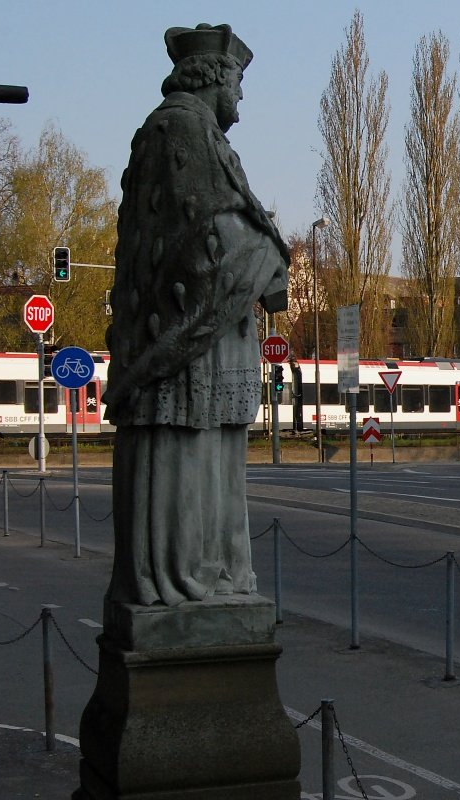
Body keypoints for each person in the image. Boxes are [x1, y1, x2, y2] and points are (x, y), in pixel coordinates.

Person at [102, 23, 288, 607]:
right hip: (189, 353)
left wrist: (263, 256)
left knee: (211, 455)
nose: (242, 95)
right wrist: (267, 260)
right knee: (191, 451)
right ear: (211, 76)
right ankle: (188, 574)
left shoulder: (196, 132)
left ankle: (211, 571)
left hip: (211, 348)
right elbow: (209, 232)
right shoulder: (180, 128)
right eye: (237, 80)